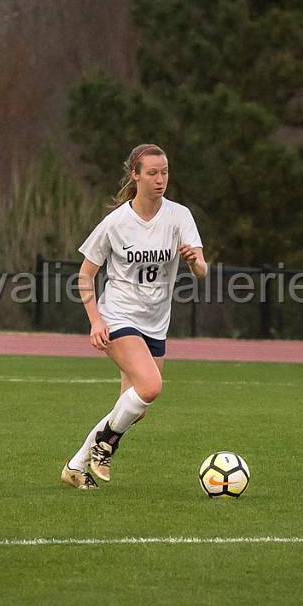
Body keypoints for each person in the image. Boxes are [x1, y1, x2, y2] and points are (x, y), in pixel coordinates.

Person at [61, 144, 207, 489]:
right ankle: (106, 444)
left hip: (156, 323)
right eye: (152, 173)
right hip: (118, 317)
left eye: (165, 172)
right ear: (135, 176)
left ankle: (76, 466)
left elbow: (202, 269)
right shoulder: (116, 223)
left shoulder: (179, 216)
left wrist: (193, 261)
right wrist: (96, 320)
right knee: (151, 386)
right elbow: (85, 274)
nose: (160, 180)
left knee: (137, 408)